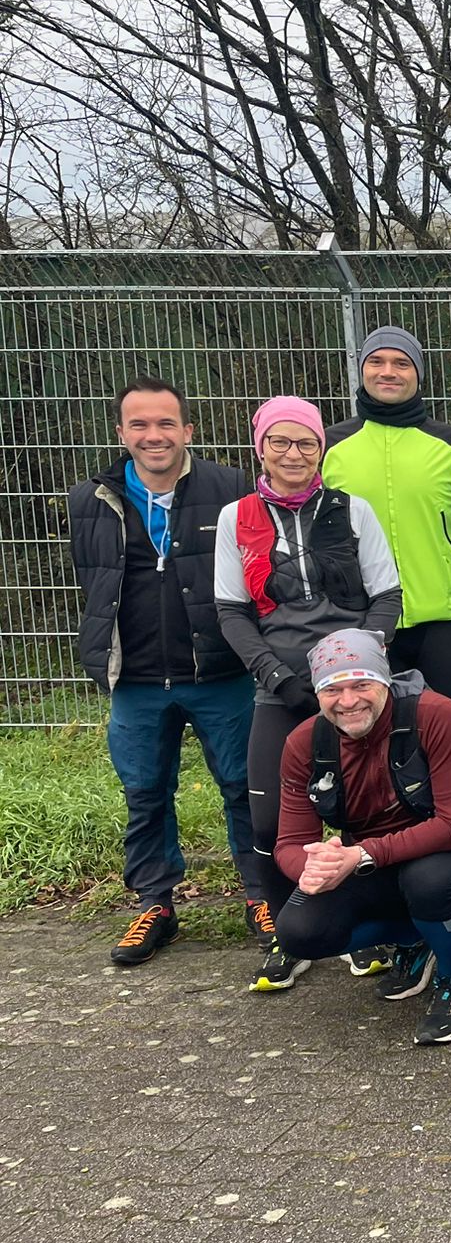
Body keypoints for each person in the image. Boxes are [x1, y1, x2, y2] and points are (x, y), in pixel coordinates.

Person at [213, 395, 402, 991]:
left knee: (370, 810)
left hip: (353, 686)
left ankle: (361, 928)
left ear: (322, 449)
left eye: (306, 443)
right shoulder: (235, 517)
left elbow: (387, 597)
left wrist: (355, 668)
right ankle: (288, 934)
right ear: (260, 448)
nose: (293, 454)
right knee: (269, 819)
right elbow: (232, 611)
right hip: (282, 685)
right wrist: (276, 676)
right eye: (280, 441)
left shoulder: (353, 510)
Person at [67, 376, 255, 968]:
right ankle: (156, 904)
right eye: (140, 424)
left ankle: (262, 894)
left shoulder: (230, 487)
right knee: (145, 793)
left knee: (244, 786)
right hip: (137, 679)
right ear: (121, 432)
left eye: (166, 423)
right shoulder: (89, 498)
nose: (154, 435)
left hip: (220, 672)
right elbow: (94, 582)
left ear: (187, 430)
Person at [272, 630, 451, 1045]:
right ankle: (415, 938)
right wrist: (313, 869)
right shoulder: (303, 743)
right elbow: (289, 843)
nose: (348, 701)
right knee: (299, 930)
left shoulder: (435, 714)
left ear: (384, 680)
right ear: (318, 693)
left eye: (361, 684)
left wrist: (361, 854)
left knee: (428, 880)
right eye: (332, 689)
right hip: (378, 862)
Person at [323, 326, 451, 726]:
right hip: (363, 620)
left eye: (402, 363)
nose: (388, 372)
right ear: (362, 369)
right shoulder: (329, 446)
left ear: (418, 374)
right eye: (376, 361)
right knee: (372, 735)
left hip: (447, 618)